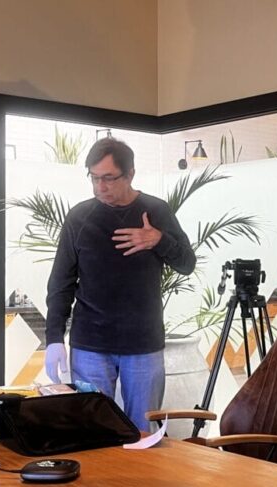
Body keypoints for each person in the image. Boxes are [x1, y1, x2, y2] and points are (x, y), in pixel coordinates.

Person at [44, 138, 195, 431]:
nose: (100, 186)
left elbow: (187, 263)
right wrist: (53, 338)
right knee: (92, 431)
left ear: (130, 175)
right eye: (94, 178)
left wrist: (159, 240)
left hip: (142, 345)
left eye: (109, 178)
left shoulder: (155, 211)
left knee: (143, 433)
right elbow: (61, 282)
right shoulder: (79, 217)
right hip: (90, 345)